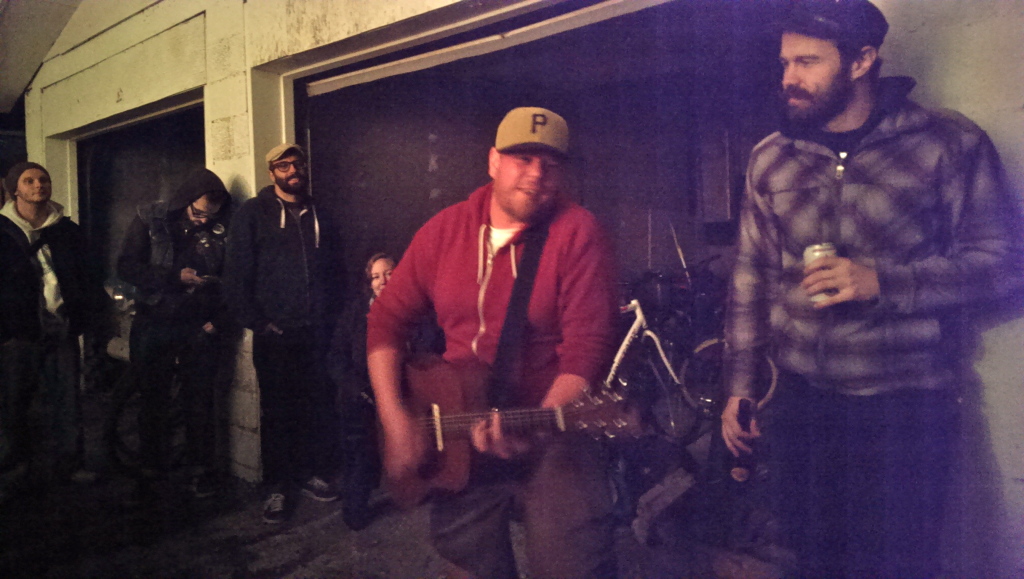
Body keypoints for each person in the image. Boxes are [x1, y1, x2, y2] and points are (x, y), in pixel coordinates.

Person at [721, 1, 1022, 576]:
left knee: (901, 564)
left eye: (807, 62)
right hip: (802, 405)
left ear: (862, 61)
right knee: (812, 562)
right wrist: (741, 386)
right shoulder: (771, 158)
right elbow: (750, 276)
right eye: (785, 62)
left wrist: (884, 282)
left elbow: (1005, 263)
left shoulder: (945, 144)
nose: (790, 77)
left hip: (907, 404)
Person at [367, 107, 619, 578]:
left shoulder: (578, 232)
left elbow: (587, 347)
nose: (537, 175)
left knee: (572, 563)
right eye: (523, 158)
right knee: (465, 563)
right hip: (459, 422)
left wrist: (540, 423)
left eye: (550, 164)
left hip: (552, 422)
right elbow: (385, 320)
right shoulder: (443, 231)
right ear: (493, 161)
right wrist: (395, 417)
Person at [223, 143, 345, 524]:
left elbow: (337, 270)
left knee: (316, 407)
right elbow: (236, 275)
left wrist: (336, 320)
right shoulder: (253, 215)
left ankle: (310, 473)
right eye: (283, 165)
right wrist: (259, 323)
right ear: (272, 172)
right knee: (277, 412)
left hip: (318, 333)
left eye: (298, 163)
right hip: (276, 335)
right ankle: (277, 486)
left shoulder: (321, 212)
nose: (293, 169)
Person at [116, 168, 232, 501]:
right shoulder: (150, 217)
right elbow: (126, 266)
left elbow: (232, 277)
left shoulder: (223, 226)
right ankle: (152, 470)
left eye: (209, 217)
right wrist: (172, 277)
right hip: (154, 320)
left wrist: (218, 319)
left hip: (199, 326)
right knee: (152, 399)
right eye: (197, 213)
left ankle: (200, 471)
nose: (202, 221)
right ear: (184, 200)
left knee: (200, 401)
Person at [0, 162, 109, 494]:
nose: (38, 185)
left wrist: (94, 317)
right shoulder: (2, 231)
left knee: (66, 401)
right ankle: (10, 470)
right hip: (17, 333)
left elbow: (89, 275)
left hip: (60, 329)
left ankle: (69, 465)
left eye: (43, 179)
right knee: (11, 404)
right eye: (29, 180)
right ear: (14, 189)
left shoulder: (67, 230)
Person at [326, 252, 394, 530]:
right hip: (361, 396)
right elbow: (336, 357)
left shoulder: (413, 308)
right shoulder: (355, 312)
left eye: (388, 273)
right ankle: (356, 506)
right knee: (360, 451)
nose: (383, 281)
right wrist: (359, 389)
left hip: (400, 391)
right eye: (376, 276)